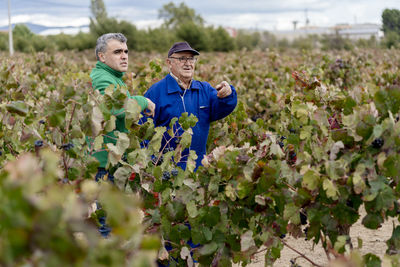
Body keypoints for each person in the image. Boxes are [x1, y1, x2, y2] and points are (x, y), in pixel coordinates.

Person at [89, 32, 155, 237]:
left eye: (126, 51)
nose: (124, 56)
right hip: (104, 164)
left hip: (113, 161)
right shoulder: (101, 78)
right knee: (107, 225)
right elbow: (117, 109)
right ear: (102, 56)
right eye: (117, 52)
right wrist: (142, 101)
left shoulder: (113, 78)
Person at [144, 41, 237, 170]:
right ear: (169, 62)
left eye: (191, 59)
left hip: (198, 169)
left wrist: (228, 94)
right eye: (182, 58)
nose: (188, 63)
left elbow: (223, 107)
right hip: (168, 171)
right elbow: (143, 132)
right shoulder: (155, 93)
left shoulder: (204, 89)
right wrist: (154, 165)